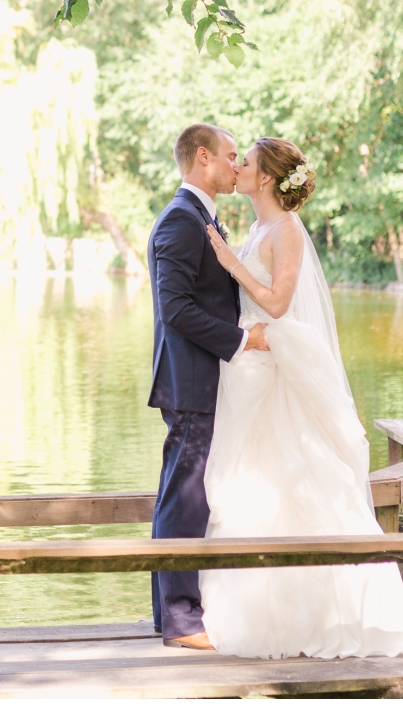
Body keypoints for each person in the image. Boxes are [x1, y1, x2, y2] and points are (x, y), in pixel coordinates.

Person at [199, 137, 403, 658]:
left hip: (277, 368)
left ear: (265, 177)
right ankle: (261, 616)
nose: (238, 168)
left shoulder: (286, 230)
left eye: (244, 162)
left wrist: (228, 262)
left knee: (300, 482)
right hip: (251, 367)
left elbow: (280, 302)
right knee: (254, 490)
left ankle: (325, 616)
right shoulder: (256, 227)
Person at [144, 124, 269, 650]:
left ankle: (169, 616)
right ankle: (181, 622)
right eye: (231, 156)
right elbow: (175, 309)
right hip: (191, 379)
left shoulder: (198, 216)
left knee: (183, 494)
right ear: (202, 158)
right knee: (185, 498)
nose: (236, 165)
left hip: (201, 378)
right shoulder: (180, 220)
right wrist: (241, 339)